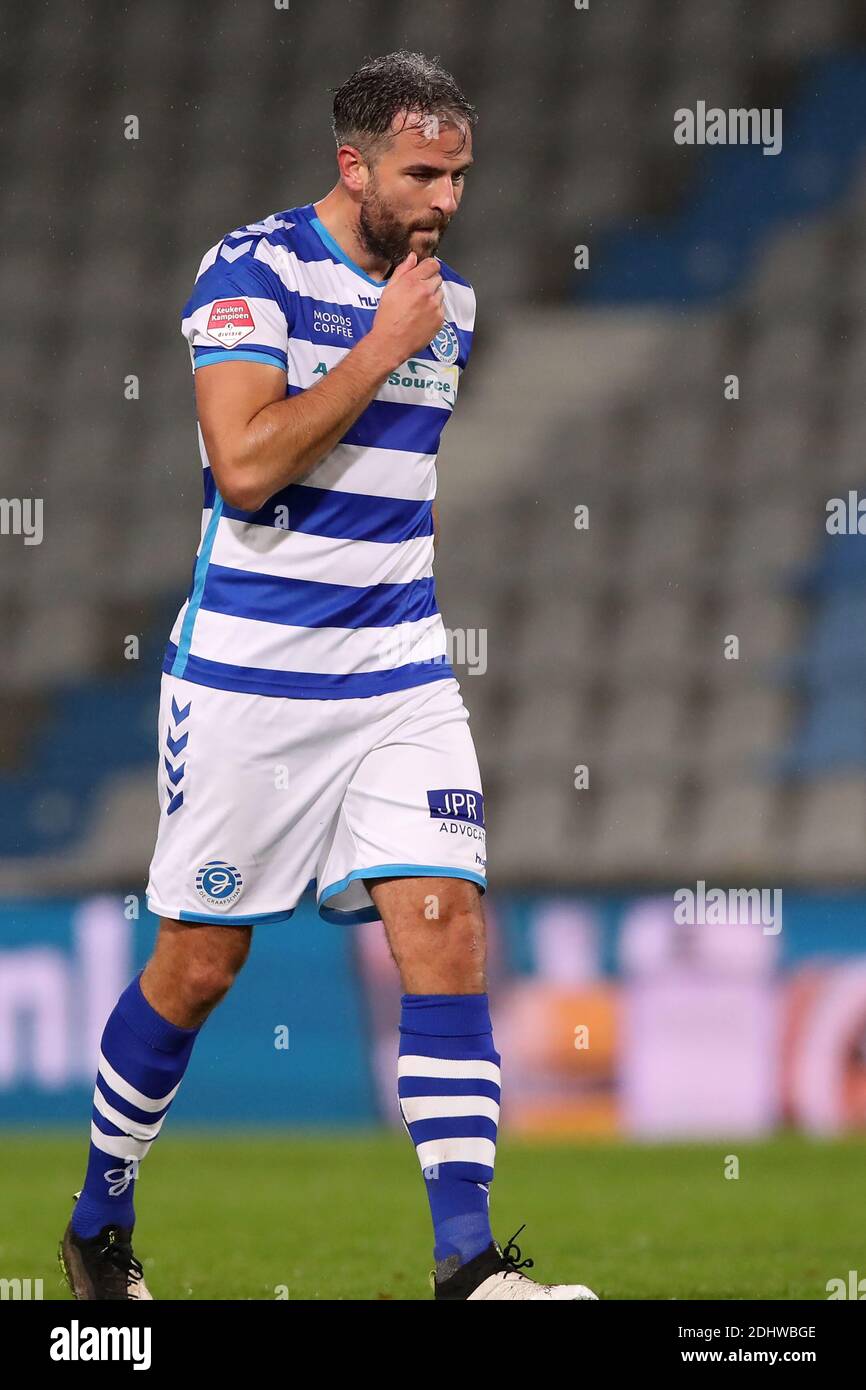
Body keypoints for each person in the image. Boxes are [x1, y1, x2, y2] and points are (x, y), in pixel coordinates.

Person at [59, 49, 597, 1303]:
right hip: (250, 680)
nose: (446, 199)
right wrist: (371, 348)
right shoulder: (251, 273)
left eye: (459, 174)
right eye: (422, 173)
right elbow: (244, 468)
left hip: (398, 672)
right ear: (350, 163)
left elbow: (391, 495)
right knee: (200, 963)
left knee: (448, 926)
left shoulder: (445, 303)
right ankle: (98, 1220)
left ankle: (467, 1267)